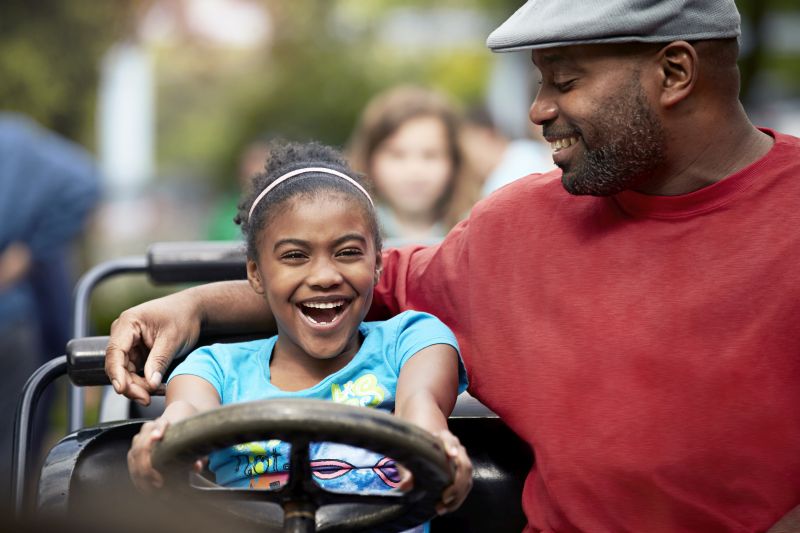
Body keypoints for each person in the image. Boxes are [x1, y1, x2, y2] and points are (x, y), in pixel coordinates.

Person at [106, 1, 800, 531]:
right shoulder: (517, 227)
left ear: (675, 73)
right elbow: (347, 287)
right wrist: (191, 307)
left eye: (566, 80)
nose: (538, 110)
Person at [126, 142, 472, 530]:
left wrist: (437, 448)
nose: (324, 277)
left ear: (377, 264)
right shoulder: (215, 370)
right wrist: (161, 438)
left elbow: (421, 408)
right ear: (256, 273)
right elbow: (185, 414)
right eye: (295, 256)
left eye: (347, 253)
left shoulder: (411, 341)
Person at [0, 112, 100, 507]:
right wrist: (29, 251)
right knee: (14, 449)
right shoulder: (16, 140)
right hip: (11, 322)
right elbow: (84, 180)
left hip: (10, 321)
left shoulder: (13, 140)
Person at [347, 85, 478, 242]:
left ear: (455, 162)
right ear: (369, 158)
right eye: (397, 155)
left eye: (430, 155)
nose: (414, 171)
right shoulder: (348, 232)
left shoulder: (475, 230)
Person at [461, 105, 554, 197]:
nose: (465, 159)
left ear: (486, 136)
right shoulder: (528, 148)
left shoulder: (495, 186)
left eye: (465, 147)